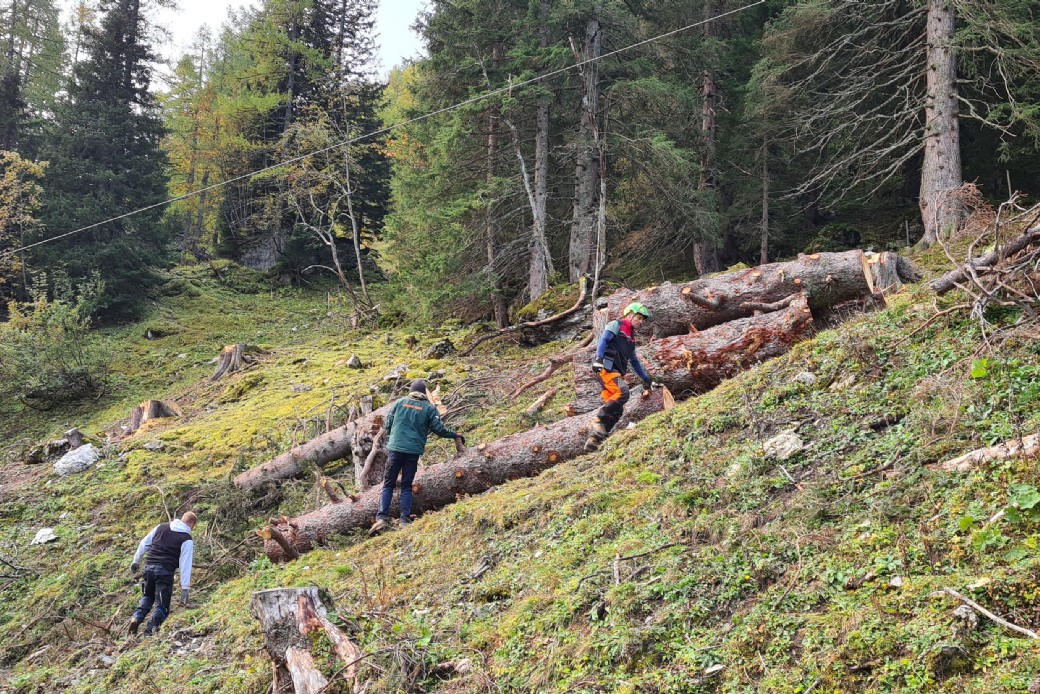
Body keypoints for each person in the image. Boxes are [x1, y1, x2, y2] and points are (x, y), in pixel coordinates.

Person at [370, 380, 465, 534]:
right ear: (424, 393)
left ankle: (381, 518)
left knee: (388, 484)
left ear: (411, 391)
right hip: (412, 452)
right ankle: (404, 520)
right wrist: (455, 434)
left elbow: (387, 425)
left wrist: (396, 435)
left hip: (395, 449)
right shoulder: (429, 408)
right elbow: (439, 429)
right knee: (407, 486)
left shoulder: (399, 403)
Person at [585, 303, 654, 452]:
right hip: (605, 367)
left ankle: (595, 439)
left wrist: (645, 378)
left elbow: (634, 361)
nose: (641, 321)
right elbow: (603, 340)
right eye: (639, 317)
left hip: (615, 371)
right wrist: (598, 359)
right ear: (629, 315)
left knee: (618, 410)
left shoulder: (631, 339)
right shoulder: (617, 325)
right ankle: (598, 419)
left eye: (642, 319)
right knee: (623, 392)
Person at [127, 511, 196, 636]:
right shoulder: (186, 539)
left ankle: (136, 617)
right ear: (191, 525)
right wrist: (185, 588)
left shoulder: (161, 527)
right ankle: (149, 632)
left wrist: (136, 560)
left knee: (147, 596)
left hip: (148, 567)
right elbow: (185, 564)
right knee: (162, 607)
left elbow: (144, 543)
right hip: (164, 572)